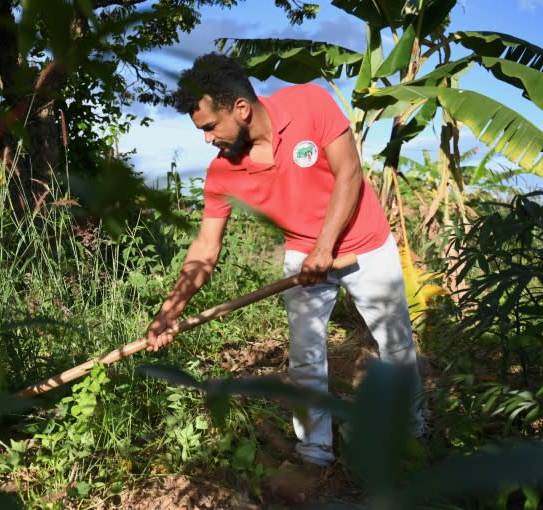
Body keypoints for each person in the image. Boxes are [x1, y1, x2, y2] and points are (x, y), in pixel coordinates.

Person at [145, 53, 424, 479]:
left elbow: (349, 173)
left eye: (208, 127)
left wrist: (326, 247)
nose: (206, 139)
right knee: (306, 356)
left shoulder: (309, 104)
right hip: (303, 255)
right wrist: (168, 313)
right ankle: (315, 452)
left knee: (396, 343)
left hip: (365, 243)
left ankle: (412, 433)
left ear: (240, 109)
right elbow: (205, 246)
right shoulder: (223, 174)